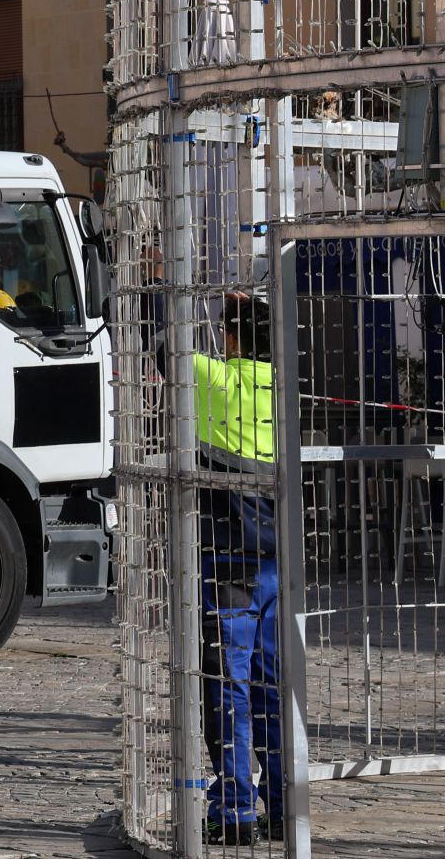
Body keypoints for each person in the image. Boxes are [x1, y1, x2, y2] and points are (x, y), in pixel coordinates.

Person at [194, 292, 281, 847]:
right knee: (275, 686)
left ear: (229, 337)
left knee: (229, 689)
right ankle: (283, 802)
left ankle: (233, 811)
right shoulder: (283, 387)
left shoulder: (214, 382)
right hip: (280, 563)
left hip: (230, 562)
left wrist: (160, 276)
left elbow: (157, 344)